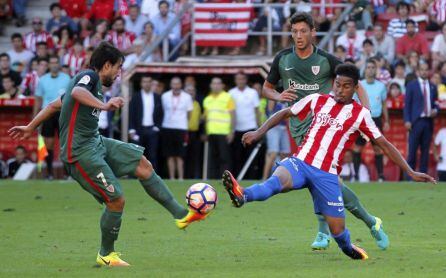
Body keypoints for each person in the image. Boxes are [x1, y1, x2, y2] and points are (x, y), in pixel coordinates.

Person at [8, 41, 206, 267]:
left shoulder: (95, 85)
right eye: (118, 67)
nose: (119, 73)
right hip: (79, 153)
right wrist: (105, 105)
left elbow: (55, 104)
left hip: (96, 142)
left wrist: (31, 127)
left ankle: (181, 215)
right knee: (116, 200)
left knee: (143, 165)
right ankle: (106, 254)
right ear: (106, 65)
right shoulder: (88, 77)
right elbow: (77, 92)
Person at [222, 64, 436, 261]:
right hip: (301, 162)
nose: (340, 90)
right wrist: (259, 132)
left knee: (339, 233)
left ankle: (349, 246)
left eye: (346, 86)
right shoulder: (318, 99)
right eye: (337, 84)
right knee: (276, 182)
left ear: (354, 89)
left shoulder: (361, 115)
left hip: (327, 174)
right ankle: (243, 195)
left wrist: (410, 171)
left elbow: (385, 144)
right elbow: (286, 112)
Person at [261, 12, 385, 251]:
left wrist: (364, 116)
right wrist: (278, 95)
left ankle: (325, 232)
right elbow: (267, 88)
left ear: (313, 32)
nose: (298, 36)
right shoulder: (283, 59)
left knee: (324, 181)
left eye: (303, 31)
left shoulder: (326, 60)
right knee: (324, 182)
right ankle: (369, 221)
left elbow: (356, 84)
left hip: (327, 128)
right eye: (294, 32)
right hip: (298, 129)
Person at [34, 55, 71, 179]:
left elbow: (73, 97)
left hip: (63, 113)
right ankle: (49, 173)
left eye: (56, 62)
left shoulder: (67, 78)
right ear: (49, 65)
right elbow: (38, 99)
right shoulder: (43, 80)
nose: (54, 65)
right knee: (48, 143)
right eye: (52, 62)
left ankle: (67, 173)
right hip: (48, 113)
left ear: (59, 64)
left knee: (65, 143)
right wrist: (36, 118)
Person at [353, 59, 389, 182]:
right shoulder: (359, 85)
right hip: (362, 119)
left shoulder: (381, 86)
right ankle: (356, 176)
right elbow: (353, 103)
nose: (370, 69)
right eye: (368, 67)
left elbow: (384, 104)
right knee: (357, 147)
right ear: (365, 70)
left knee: (378, 148)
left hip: (376, 120)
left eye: (373, 67)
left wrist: (387, 121)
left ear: (375, 70)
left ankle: (380, 176)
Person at [404, 62, 438, 175]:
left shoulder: (433, 86)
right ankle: (410, 177)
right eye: (422, 69)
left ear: (428, 71)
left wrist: (436, 110)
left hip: (428, 121)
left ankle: (423, 175)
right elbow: (407, 104)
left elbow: (436, 103)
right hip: (415, 121)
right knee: (412, 150)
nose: (424, 72)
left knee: (425, 150)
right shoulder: (411, 85)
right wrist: (407, 120)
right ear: (418, 71)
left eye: (426, 69)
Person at [229, 73, 260, 179]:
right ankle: (237, 178)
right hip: (237, 129)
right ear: (235, 80)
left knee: (250, 156)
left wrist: (259, 128)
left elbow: (257, 111)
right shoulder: (231, 93)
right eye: (238, 79)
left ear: (246, 80)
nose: (240, 81)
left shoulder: (252, 93)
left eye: (242, 79)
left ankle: (251, 178)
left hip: (250, 128)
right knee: (237, 156)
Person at [161, 77, 193, 180]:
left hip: (181, 128)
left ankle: (180, 177)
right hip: (167, 127)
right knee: (169, 154)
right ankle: (171, 177)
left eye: (177, 84)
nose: (175, 86)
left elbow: (189, 113)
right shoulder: (165, 96)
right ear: (171, 85)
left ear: (181, 85)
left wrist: (183, 122)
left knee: (180, 155)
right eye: (173, 84)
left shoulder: (187, 97)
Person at [203, 77, 235, 179]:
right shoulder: (207, 99)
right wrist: (205, 132)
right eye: (214, 83)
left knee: (224, 158)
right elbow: (206, 117)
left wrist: (231, 131)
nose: (216, 86)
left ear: (222, 85)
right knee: (213, 158)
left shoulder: (227, 97)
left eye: (218, 83)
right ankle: (213, 178)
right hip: (211, 132)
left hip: (224, 132)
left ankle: (225, 179)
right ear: (210, 85)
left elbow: (233, 115)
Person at [129, 76, 163, 171]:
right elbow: (131, 114)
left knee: (153, 154)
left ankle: (153, 175)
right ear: (141, 84)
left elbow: (161, 113)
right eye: (144, 81)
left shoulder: (157, 97)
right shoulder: (136, 97)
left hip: (152, 130)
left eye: (148, 82)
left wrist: (157, 128)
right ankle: (136, 175)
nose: (146, 84)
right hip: (139, 130)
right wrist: (131, 129)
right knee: (137, 155)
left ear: (151, 83)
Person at [262, 100, 290, 180]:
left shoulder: (286, 101)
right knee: (273, 153)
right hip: (273, 127)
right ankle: (265, 178)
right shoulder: (273, 98)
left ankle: (279, 177)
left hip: (283, 127)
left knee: (284, 153)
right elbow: (270, 111)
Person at [185, 84, 202, 179]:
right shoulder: (182, 103)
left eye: (192, 91)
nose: (191, 93)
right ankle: (185, 176)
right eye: (188, 91)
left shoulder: (197, 104)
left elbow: (199, 118)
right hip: (185, 133)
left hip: (195, 133)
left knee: (195, 156)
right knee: (185, 156)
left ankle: (194, 176)